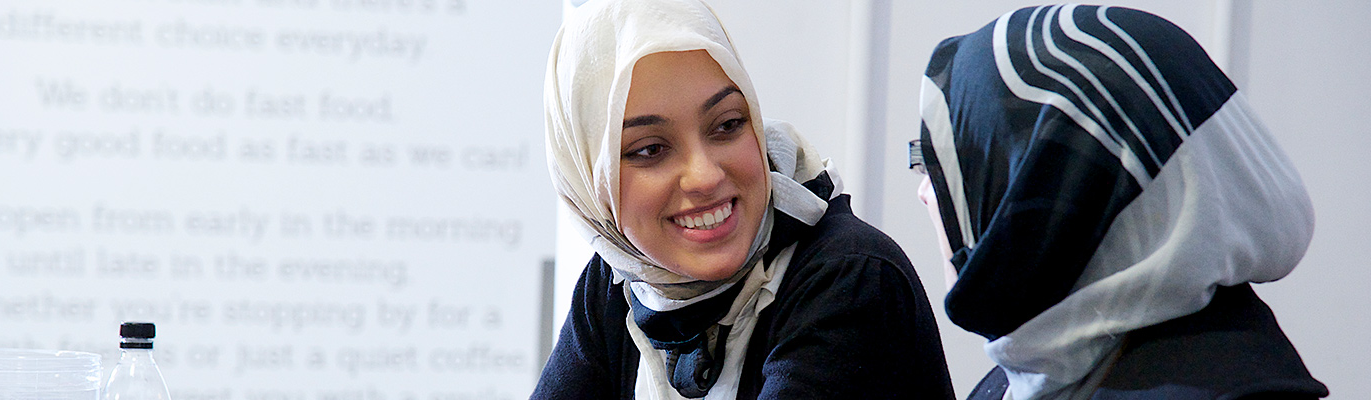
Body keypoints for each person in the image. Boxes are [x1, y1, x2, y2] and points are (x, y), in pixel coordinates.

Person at [533, 0, 954, 398]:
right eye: (650, 150)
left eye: (728, 125)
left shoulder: (852, 279)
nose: (704, 175)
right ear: (590, 180)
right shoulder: (619, 284)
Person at [910, 5, 1328, 399]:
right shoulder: (1033, 371)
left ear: (1060, 186)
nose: (925, 193)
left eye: (950, 169)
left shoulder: (1234, 389)